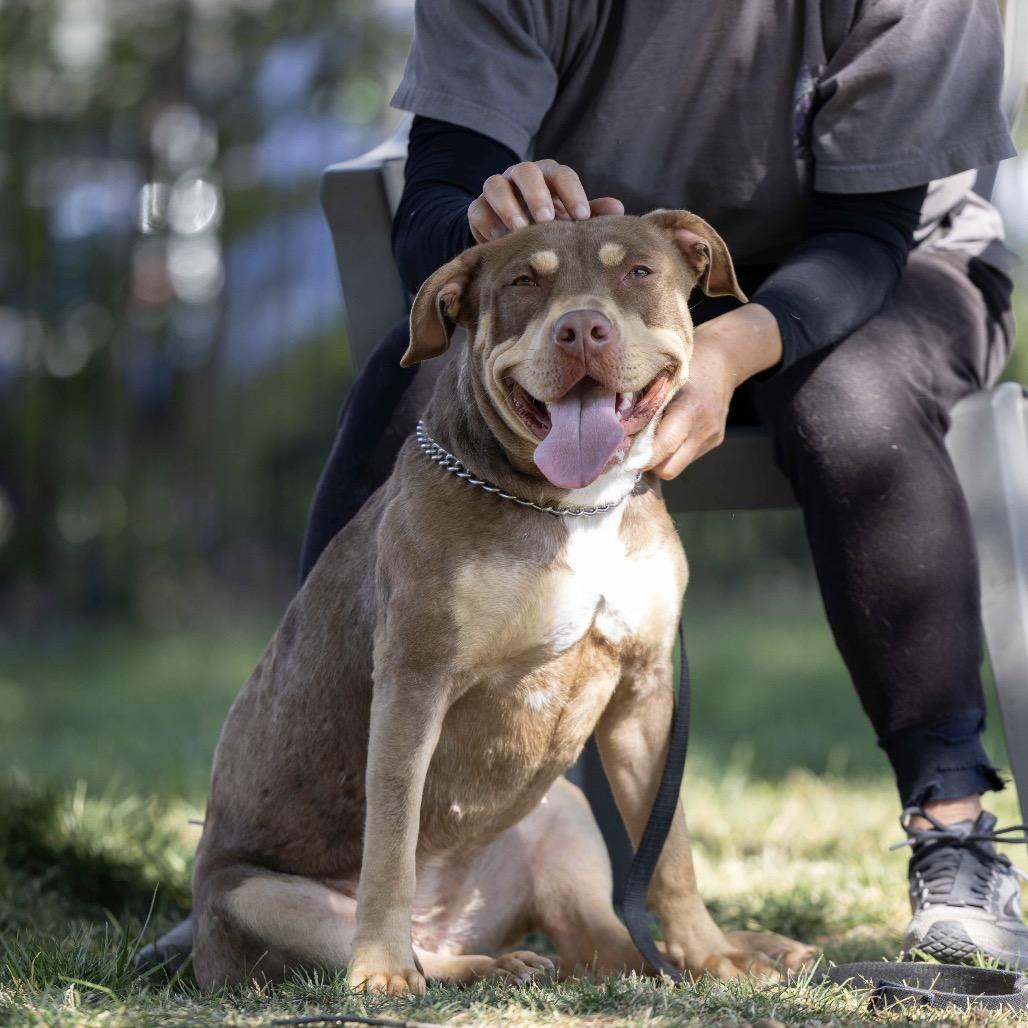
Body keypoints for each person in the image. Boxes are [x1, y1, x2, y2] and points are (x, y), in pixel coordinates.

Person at [141, 0, 1024, 974]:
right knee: (421, 385)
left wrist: (723, 348)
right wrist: (478, 214)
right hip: (579, 289)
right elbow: (433, 203)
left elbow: (866, 232)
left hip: (889, 268)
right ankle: (305, 841)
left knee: (847, 401)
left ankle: (952, 840)